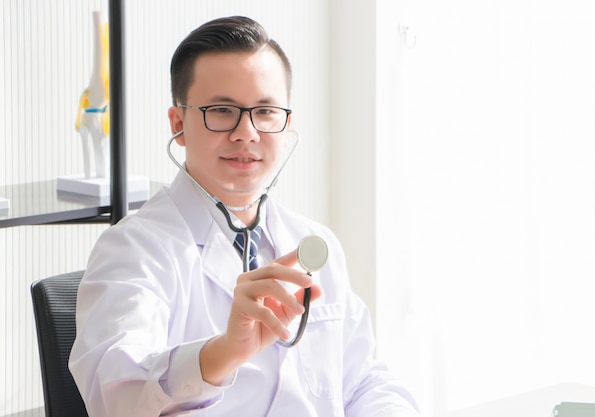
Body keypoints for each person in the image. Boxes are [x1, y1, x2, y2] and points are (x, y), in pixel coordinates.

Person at [69, 16, 420, 417]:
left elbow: (363, 380)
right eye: (222, 110)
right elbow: (114, 394)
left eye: (265, 111)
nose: (246, 133)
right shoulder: (135, 249)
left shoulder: (314, 243)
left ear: (287, 123)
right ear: (178, 124)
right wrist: (222, 353)